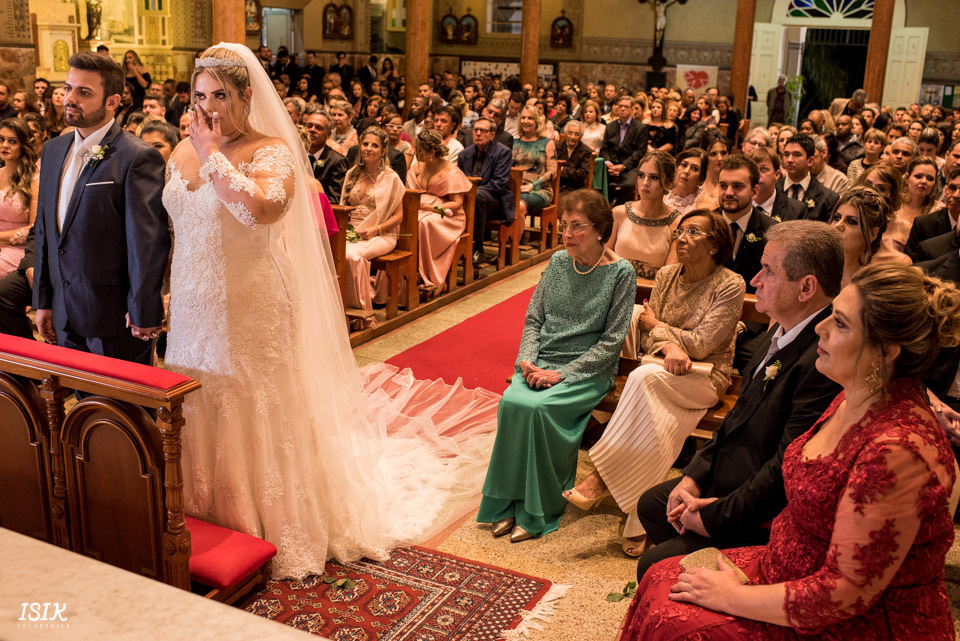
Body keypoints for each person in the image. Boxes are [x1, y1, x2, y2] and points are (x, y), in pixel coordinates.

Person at [163, 44, 500, 579]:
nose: (208, 109)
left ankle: (271, 523)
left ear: (247, 96)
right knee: (201, 402)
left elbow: (264, 210)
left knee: (255, 403)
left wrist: (213, 157)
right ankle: (207, 514)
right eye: (199, 96)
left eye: (220, 96)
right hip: (192, 306)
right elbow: (179, 228)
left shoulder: (268, 149)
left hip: (252, 305)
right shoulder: (180, 151)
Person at [619, 263, 960, 641]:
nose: (821, 328)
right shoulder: (852, 396)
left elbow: (842, 595)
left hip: (851, 620)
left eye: (841, 324)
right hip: (787, 565)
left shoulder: (897, 451)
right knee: (659, 577)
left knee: (676, 622)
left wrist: (733, 596)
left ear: (885, 353)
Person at [631, 220, 843, 580]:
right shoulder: (779, 331)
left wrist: (714, 517)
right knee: (652, 505)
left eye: (767, 271)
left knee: (652, 566)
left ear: (806, 287)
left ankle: (712, 573)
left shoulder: (821, 360)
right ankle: (699, 566)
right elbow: (735, 420)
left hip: (765, 509)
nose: (755, 280)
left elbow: (784, 470)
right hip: (735, 472)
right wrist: (694, 478)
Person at [566, 210, 744, 556]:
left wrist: (661, 331)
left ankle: (602, 474)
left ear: (714, 244)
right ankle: (638, 521)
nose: (681, 238)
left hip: (706, 378)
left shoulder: (729, 284)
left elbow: (704, 343)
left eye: (693, 232)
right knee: (657, 417)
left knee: (643, 377)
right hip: (661, 370)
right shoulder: (665, 275)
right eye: (679, 231)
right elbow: (646, 340)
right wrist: (671, 343)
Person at [478, 189, 635, 542]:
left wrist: (561, 374)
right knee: (512, 402)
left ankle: (539, 508)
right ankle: (506, 503)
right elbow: (534, 318)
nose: (566, 234)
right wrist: (528, 360)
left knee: (539, 408)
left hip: (587, 370)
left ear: (600, 231)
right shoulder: (558, 262)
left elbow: (611, 343)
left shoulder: (621, 272)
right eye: (564, 225)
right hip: (541, 360)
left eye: (576, 227)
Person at [33, 51, 169, 365]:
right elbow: (45, 231)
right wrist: (44, 300)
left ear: (112, 101)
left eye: (84, 92)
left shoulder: (137, 157)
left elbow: (146, 243)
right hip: (65, 309)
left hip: (115, 316)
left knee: (123, 412)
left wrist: (144, 309)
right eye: (68, 88)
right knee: (83, 409)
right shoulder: (53, 151)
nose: (70, 98)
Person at [339, 127, 405, 326]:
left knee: (351, 256)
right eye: (365, 144)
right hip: (353, 231)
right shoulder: (352, 173)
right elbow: (344, 206)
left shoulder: (391, 177)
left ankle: (359, 313)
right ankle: (337, 308)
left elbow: (399, 216)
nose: (368, 148)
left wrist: (376, 229)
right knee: (331, 251)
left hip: (382, 234)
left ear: (384, 150)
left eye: (374, 145)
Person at [405, 129, 471, 299]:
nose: (415, 153)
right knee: (405, 220)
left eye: (419, 150)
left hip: (448, 215)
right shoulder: (418, 166)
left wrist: (431, 208)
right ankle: (406, 274)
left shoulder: (451, 171)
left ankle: (425, 274)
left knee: (423, 223)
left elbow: (457, 203)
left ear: (431, 152)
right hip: (418, 206)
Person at [456, 116, 513, 263]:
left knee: (477, 196)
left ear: (492, 134)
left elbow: (499, 184)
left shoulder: (502, 152)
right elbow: (458, 180)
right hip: (469, 197)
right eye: (476, 130)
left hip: (494, 201)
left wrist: (472, 192)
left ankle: (477, 249)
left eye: (483, 130)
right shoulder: (464, 154)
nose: (478, 134)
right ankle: (454, 247)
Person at [717, 155, 776, 291]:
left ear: (754, 192)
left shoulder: (771, 230)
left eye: (737, 186)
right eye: (723, 186)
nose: (728, 193)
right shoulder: (705, 225)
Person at [832, 185, 908, 289]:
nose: (838, 225)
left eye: (851, 221)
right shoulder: (820, 256)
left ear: (873, 233)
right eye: (837, 218)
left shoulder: (895, 266)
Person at [0, 119, 38, 278]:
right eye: (1, 139)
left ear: (23, 146)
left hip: (17, 249)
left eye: (12, 141)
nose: (4, 145)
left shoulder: (34, 180)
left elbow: (35, 228)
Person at [777, 133, 839, 223]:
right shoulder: (773, 190)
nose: (789, 160)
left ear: (810, 161)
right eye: (786, 154)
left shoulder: (827, 198)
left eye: (797, 155)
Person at [601, 95, 649, 205]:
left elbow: (639, 152)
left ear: (632, 109)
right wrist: (608, 163)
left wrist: (623, 166)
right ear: (616, 108)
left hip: (629, 167)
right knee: (599, 180)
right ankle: (605, 206)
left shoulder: (641, 128)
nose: (622, 109)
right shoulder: (610, 126)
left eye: (626, 106)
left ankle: (618, 208)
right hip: (611, 166)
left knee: (629, 185)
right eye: (620, 106)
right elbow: (604, 149)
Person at [513, 105, 557, 222]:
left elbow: (552, 172)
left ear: (537, 122)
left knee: (519, 205)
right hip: (515, 188)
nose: (525, 121)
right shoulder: (514, 142)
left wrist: (532, 185)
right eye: (523, 118)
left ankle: (515, 240)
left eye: (530, 118)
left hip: (539, 190)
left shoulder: (547, 143)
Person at [885, 156, 938, 253]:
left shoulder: (938, 211)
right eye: (918, 176)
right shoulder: (891, 203)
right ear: (906, 178)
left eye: (930, 178)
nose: (923, 181)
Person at [906, 168, 960, 261]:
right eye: (952, 188)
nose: (956, 195)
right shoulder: (923, 224)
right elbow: (911, 265)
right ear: (945, 190)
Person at [303, 110, 348, 205]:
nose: (312, 130)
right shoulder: (296, 156)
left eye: (318, 128)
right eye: (309, 126)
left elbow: (334, 200)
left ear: (328, 134)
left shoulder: (337, 161)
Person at [749, 146, 805, 222]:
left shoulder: (796, 210)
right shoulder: (740, 206)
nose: (757, 174)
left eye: (764, 169)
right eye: (754, 169)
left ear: (777, 174)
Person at [663, 148, 706, 216]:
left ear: (701, 178)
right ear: (676, 168)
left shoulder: (705, 205)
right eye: (684, 165)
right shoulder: (660, 199)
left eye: (694, 168)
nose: (686, 171)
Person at [557, 120, 593, 196]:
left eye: (576, 134)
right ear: (566, 134)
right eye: (570, 133)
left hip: (575, 188)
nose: (572, 137)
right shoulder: (557, 147)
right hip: (557, 185)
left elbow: (582, 174)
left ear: (580, 136)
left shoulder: (586, 151)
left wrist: (562, 170)